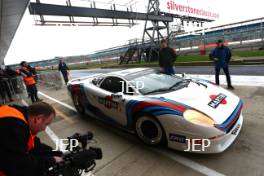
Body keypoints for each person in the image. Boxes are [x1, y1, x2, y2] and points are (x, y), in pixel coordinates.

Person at [0, 102, 63, 176]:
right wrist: (52, 160)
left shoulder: (19, 115)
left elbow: (34, 145)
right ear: (38, 119)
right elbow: (20, 165)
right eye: (46, 124)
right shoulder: (13, 127)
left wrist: (58, 154)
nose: (44, 129)